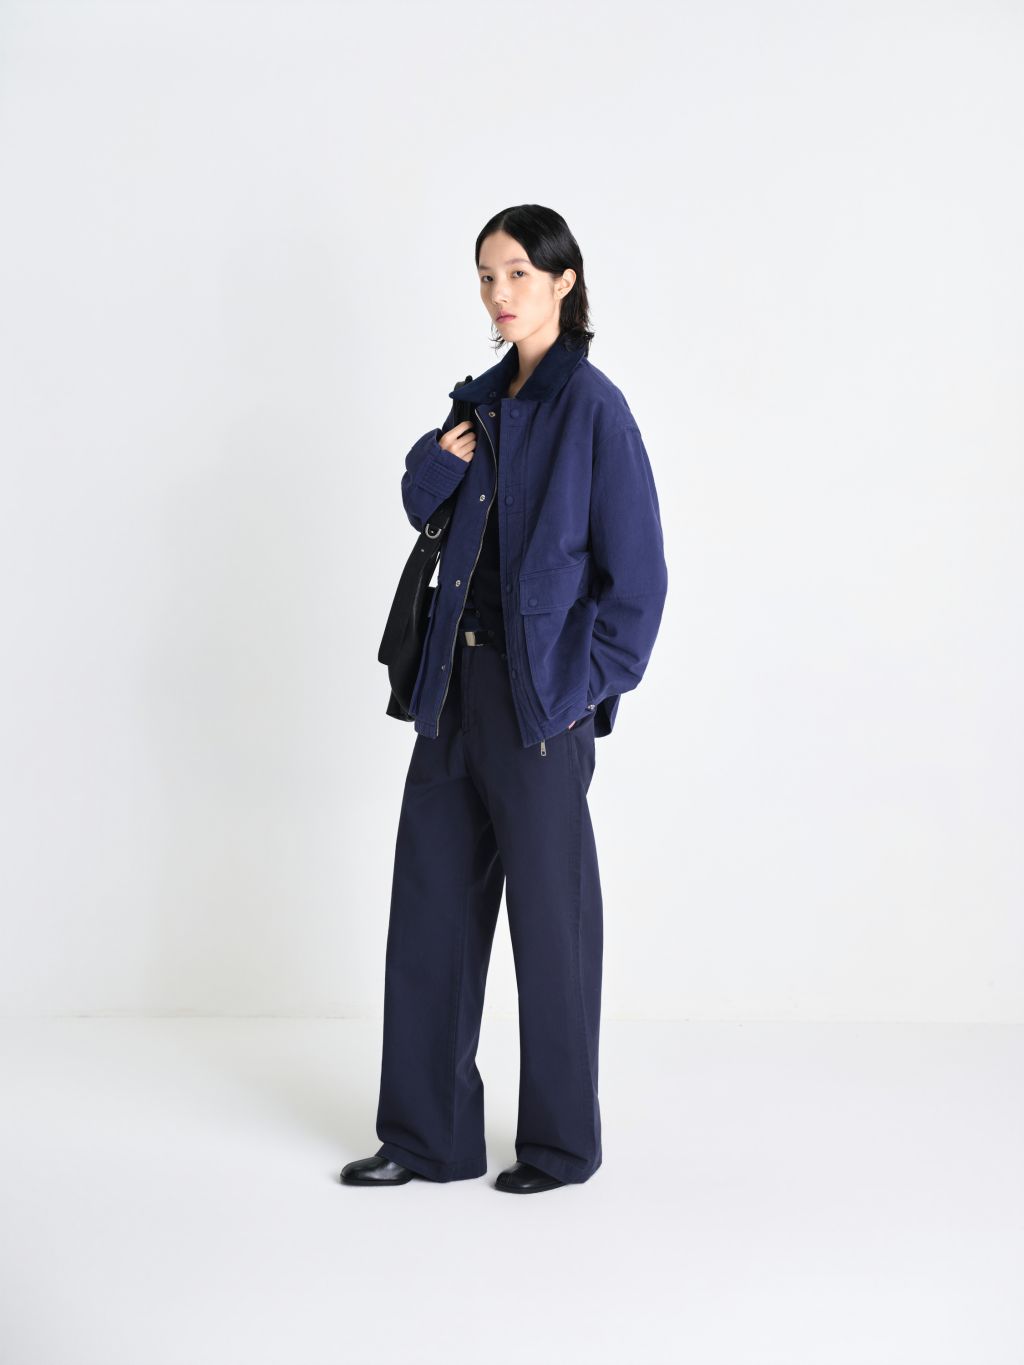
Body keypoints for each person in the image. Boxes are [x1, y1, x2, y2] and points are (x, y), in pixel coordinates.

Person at [342, 205, 668, 1194]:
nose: (499, 293)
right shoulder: (480, 403)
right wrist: (442, 458)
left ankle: (560, 1147)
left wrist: (578, 690)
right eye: (487, 276)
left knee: (552, 929)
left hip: (539, 707)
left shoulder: (595, 411)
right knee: (429, 911)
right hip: (451, 688)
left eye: (519, 272)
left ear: (564, 281)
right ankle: (426, 1138)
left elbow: (638, 585)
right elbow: (418, 501)